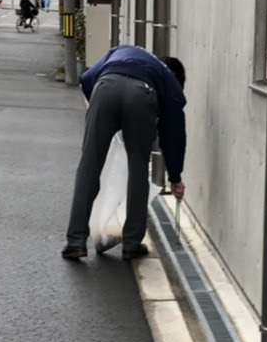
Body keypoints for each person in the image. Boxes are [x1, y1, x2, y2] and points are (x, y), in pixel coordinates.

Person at [64, 46, 186, 260]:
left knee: (89, 165)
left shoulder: (123, 50)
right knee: (138, 168)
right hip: (142, 94)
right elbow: (173, 134)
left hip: (104, 87)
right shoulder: (170, 81)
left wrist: (101, 111)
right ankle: (131, 243)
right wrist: (175, 176)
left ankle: (75, 241)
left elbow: (87, 77)